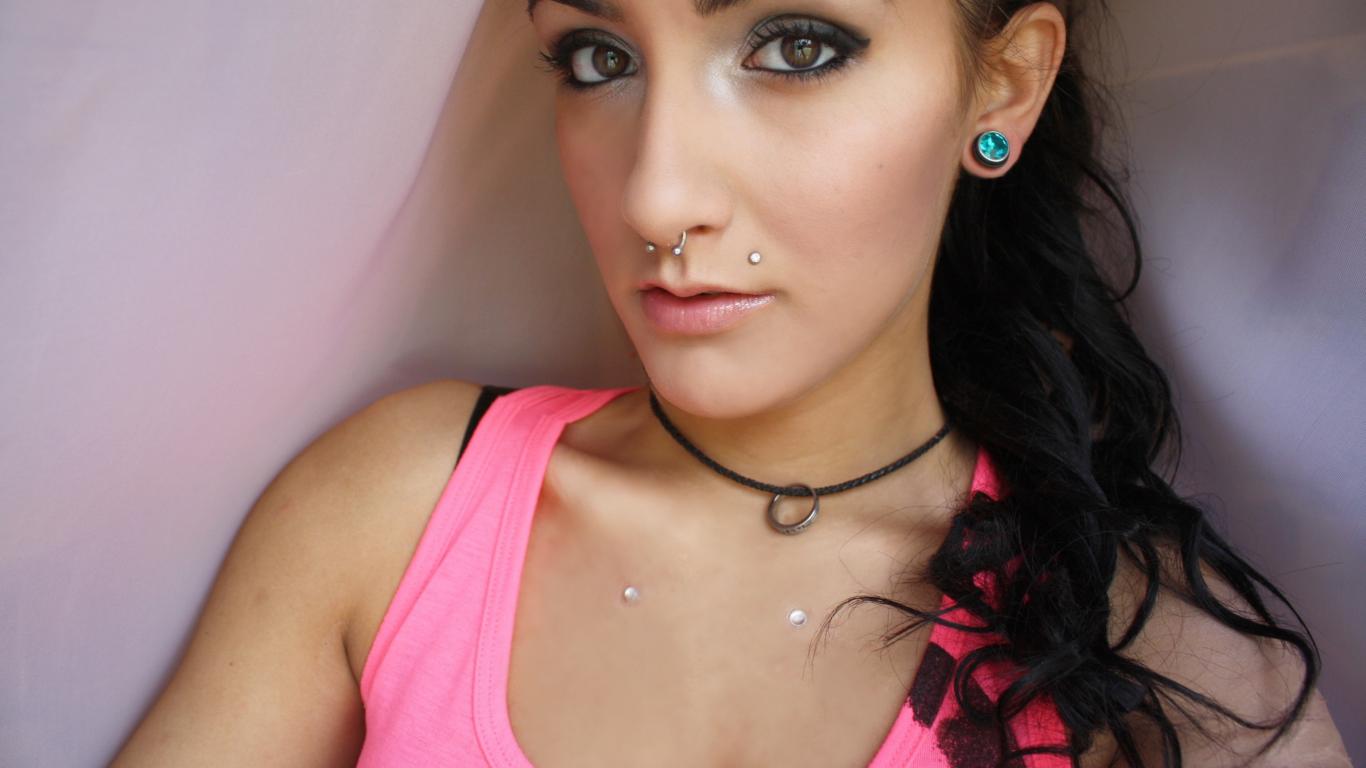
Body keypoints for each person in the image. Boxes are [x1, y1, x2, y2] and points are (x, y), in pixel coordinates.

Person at [112, 0, 1352, 766]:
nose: (656, 196)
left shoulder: (1159, 659)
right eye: (597, 56)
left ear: (1004, 84)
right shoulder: (398, 513)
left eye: (796, 46)